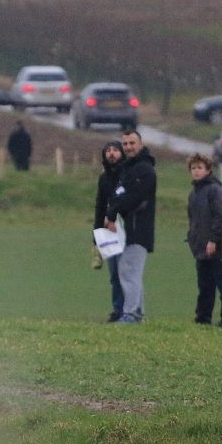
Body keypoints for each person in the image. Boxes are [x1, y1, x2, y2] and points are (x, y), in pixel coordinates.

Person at [102, 130, 156, 324]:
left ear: (140, 144)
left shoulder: (144, 170)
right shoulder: (129, 168)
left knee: (129, 271)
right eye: (125, 144)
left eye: (132, 143)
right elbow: (118, 194)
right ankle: (137, 313)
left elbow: (134, 197)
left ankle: (131, 314)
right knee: (130, 271)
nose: (128, 147)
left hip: (138, 229)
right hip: (128, 229)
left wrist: (113, 211)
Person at [185, 152, 222, 327]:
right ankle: (203, 316)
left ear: (208, 170)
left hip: (217, 246)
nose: (196, 171)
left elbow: (220, 218)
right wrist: (192, 238)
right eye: (193, 168)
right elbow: (193, 220)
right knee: (204, 284)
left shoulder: (214, 190)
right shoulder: (193, 193)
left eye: (200, 167)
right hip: (200, 246)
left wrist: (214, 240)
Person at [92, 139, 127, 319]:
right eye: (108, 151)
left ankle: (131, 310)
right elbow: (100, 205)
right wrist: (96, 235)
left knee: (126, 271)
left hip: (126, 227)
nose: (111, 153)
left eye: (115, 150)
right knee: (114, 273)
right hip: (108, 229)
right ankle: (118, 309)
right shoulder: (103, 178)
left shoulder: (128, 175)